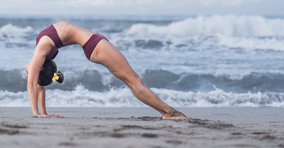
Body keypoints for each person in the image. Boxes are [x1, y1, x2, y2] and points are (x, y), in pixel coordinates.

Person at [25, 21, 187, 120]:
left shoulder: (40, 57)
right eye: (32, 70)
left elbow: (39, 86)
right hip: (95, 46)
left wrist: (43, 112)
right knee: (134, 81)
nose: (28, 72)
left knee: (133, 81)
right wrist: (37, 114)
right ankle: (169, 113)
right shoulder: (40, 53)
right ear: (39, 68)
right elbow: (32, 84)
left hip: (94, 44)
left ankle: (166, 113)